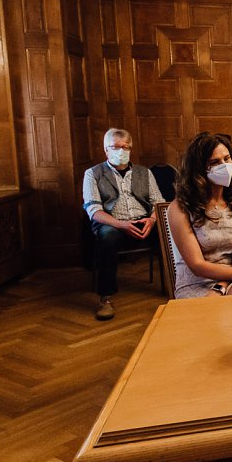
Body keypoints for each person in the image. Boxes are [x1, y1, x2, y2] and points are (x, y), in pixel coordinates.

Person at [82, 128, 164, 321]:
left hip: (144, 220)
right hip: (113, 223)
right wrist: (122, 225)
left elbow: (159, 203)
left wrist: (152, 220)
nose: (121, 151)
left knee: (171, 230)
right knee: (107, 236)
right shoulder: (93, 174)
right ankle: (106, 298)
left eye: (125, 147)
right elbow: (94, 211)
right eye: (116, 147)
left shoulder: (145, 173)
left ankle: (175, 285)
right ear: (106, 150)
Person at [166, 132, 232, 298]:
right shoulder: (179, 208)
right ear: (198, 170)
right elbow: (197, 265)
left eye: (227, 159)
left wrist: (221, 287)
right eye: (215, 162)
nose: (224, 165)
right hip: (195, 282)